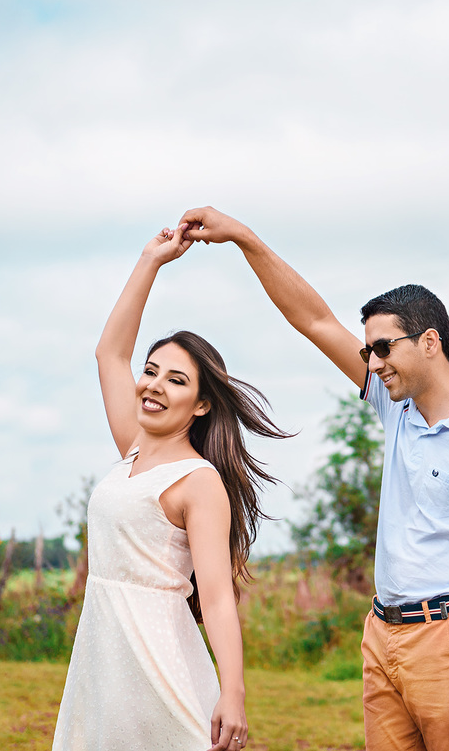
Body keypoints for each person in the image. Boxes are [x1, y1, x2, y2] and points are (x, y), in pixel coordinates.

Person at [180, 207, 449, 751]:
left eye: (384, 348)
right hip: (383, 635)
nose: (372, 361)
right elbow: (315, 320)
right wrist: (243, 238)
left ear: (430, 342)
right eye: (368, 350)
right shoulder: (397, 407)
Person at [52, 225, 290, 751]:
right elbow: (109, 355)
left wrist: (234, 692)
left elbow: (219, 597)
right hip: (103, 659)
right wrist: (150, 260)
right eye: (152, 371)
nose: (154, 385)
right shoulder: (132, 450)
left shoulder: (199, 482)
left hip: (162, 664)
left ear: (202, 404)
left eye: (176, 380)